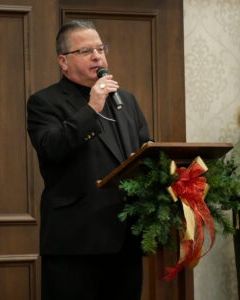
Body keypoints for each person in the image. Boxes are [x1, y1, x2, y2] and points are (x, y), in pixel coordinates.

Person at [27, 20, 150, 300]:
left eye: (100, 48)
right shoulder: (45, 102)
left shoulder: (126, 100)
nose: (97, 56)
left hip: (125, 239)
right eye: (86, 51)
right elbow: (51, 147)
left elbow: (145, 152)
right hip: (76, 241)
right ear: (63, 61)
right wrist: (92, 108)